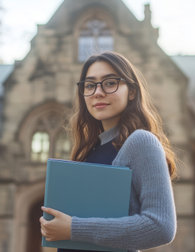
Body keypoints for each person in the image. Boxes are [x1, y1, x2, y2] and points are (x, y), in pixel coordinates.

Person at [40, 51, 177, 252]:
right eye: (89, 85)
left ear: (131, 91)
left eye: (110, 83)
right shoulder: (88, 151)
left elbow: (161, 227)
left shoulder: (141, 141)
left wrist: (73, 228)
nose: (98, 92)